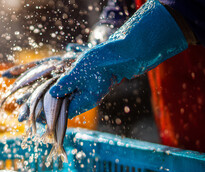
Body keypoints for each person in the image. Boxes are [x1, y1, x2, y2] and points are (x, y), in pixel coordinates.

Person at [45, 0, 205, 152]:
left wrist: (178, 13)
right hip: (173, 102)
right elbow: (123, 6)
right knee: (183, 164)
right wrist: (111, 24)